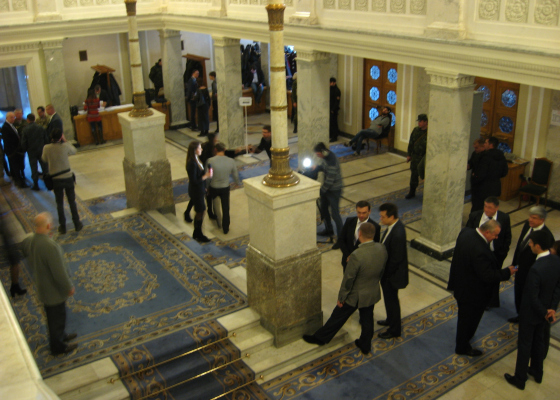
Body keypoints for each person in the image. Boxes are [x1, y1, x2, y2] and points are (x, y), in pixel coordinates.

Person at [303, 223, 387, 355]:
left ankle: (320, 338)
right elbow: (381, 270)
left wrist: (341, 297)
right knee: (367, 319)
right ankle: (365, 345)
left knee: (338, 316)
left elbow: (348, 279)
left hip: (355, 295)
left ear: (360, 234)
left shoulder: (357, 255)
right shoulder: (382, 248)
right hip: (371, 291)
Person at [447, 220, 516, 356]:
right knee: (469, 321)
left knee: (464, 319)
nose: (496, 237)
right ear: (487, 232)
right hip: (473, 294)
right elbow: (488, 275)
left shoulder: (466, 232)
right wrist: (507, 272)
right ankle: (462, 347)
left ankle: (464, 339)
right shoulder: (480, 250)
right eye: (495, 235)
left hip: (460, 285)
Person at [504, 230, 560, 390]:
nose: (529, 245)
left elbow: (531, 296)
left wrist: (544, 312)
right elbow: (558, 287)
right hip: (546, 310)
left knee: (525, 345)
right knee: (539, 342)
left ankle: (520, 378)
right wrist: (551, 309)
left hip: (531, 313)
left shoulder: (536, 269)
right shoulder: (556, 260)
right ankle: (537, 371)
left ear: (538, 246)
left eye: (531, 243)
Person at [20, 212, 78, 355]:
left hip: (43, 285)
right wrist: (69, 286)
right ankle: (58, 347)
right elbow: (58, 271)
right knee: (56, 318)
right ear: (48, 225)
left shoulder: (31, 240)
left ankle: (61, 335)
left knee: (55, 316)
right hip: (53, 290)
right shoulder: (48, 246)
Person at [508, 206, 555, 323]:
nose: (530, 219)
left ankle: (525, 317)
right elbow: (520, 245)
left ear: (542, 219)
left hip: (532, 273)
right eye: (530, 216)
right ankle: (520, 315)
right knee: (518, 293)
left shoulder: (547, 236)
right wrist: (514, 264)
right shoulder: (527, 225)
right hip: (520, 269)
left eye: (534, 218)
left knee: (528, 297)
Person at [465, 196, 512, 307]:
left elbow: (507, 236)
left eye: (490, 207)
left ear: (496, 208)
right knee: (478, 276)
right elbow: (468, 233)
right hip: (478, 254)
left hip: (496, 254)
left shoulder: (504, 218)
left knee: (494, 278)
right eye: (485, 206)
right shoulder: (475, 216)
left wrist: (503, 252)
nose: (486, 209)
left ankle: (491, 301)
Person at [42, 129, 82, 234]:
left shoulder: (46, 148)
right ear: (61, 137)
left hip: (56, 179)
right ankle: (77, 224)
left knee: (59, 203)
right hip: (67, 177)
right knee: (72, 201)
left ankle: (62, 227)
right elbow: (74, 150)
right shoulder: (65, 146)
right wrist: (65, 140)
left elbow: (44, 159)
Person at [377, 203, 409, 339]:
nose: (381, 219)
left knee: (392, 301)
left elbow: (396, 259)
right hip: (388, 274)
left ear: (391, 217)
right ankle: (390, 319)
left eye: (383, 217)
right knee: (389, 300)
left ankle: (395, 329)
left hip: (392, 275)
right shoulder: (392, 227)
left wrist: (385, 274)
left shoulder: (398, 233)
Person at [205, 142, 241, 234]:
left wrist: (207, 187)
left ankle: (219, 222)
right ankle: (226, 228)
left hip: (214, 186)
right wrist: (237, 183)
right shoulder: (231, 161)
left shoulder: (210, 161)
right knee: (225, 207)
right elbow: (235, 174)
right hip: (225, 187)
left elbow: (208, 176)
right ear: (224, 150)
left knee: (216, 206)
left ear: (215, 150)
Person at [334, 200, 380, 271]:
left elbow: (374, 248)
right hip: (347, 262)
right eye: (359, 212)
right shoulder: (349, 221)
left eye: (364, 213)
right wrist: (348, 255)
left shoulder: (375, 227)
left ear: (369, 212)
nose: (361, 215)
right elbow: (341, 240)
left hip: (362, 265)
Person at [470, 136, 509, 212]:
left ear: (491, 145)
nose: (484, 144)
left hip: (482, 188)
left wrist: (474, 177)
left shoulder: (485, 156)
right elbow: (505, 172)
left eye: (486, 143)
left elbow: (481, 173)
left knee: (477, 209)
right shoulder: (501, 156)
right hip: (495, 187)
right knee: (490, 209)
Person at [314, 142, 343, 240]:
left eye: (318, 154)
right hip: (328, 189)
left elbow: (330, 180)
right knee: (324, 209)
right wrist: (316, 168)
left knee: (335, 214)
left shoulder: (332, 161)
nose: (318, 156)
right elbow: (323, 166)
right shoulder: (326, 157)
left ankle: (341, 237)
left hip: (334, 190)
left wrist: (321, 191)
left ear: (323, 152)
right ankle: (329, 230)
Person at [186, 140, 212, 242]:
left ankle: (197, 232)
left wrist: (204, 186)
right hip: (196, 191)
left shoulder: (197, 159)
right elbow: (194, 180)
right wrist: (206, 176)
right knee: (200, 211)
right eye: (199, 148)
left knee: (201, 211)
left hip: (200, 189)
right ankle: (198, 233)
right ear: (194, 150)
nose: (201, 149)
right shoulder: (191, 164)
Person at [1, 204, 26, 298]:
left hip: (8, 240)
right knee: (15, 263)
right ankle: (14, 286)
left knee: (15, 264)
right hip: (8, 242)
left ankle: (15, 286)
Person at [21, 113, 49, 191]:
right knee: (44, 167)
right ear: (34, 119)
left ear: (28, 120)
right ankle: (48, 183)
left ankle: (36, 185)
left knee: (34, 168)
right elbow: (46, 139)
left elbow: (24, 142)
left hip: (31, 151)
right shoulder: (40, 127)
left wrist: (24, 150)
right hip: (41, 150)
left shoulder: (25, 129)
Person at [1, 111, 27, 188]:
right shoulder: (5, 127)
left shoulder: (11, 125)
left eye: (14, 117)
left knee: (17, 166)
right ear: (7, 118)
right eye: (12, 117)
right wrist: (16, 149)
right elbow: (8, 141)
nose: (13, 119)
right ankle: (19, 182)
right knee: (15, 167)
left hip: (16, 150)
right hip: (13, 151)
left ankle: (20, 179)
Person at [405, 114, 428, 199]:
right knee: (414, 175)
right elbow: (411, 142)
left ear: (426, 122)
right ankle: (412, 192)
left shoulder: (429, 132)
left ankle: (427, 193)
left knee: (425, 176)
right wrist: (409, 154)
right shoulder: (415, 130)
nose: (419, 123)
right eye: (418, 121)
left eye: (421, 121)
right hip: (415, 156)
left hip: (424, 157)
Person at [329, 77, 341, 143]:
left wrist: (333, 109)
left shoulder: (337, 91)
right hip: (330, 109)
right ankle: (331, 135)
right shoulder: (330, 89)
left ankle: (334, 136)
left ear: (334, 83)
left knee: (334, 123)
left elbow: (337, 102)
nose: (330, 84)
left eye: (331, 82)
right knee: (331, 123)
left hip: (334, 110)